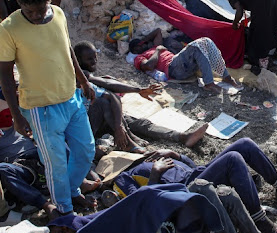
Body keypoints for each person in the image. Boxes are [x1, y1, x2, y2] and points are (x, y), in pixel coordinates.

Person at [0, 0, 97, 216]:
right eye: (30, 11)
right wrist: (16, 116)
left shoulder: (59, 14)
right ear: (19, 2)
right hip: (40, 108)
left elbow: (68, 49)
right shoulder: (8, 29)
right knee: (55, 164)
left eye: (41, 8)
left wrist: (83, 81)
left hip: (70, 99)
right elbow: (6, 77)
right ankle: (64, 210)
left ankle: (71, 192)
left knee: (86, 151)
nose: (38, 15)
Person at [113, 138, 277, 233]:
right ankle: (260, 222)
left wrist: (175, 154)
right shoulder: (123, 177)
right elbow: (144, 206)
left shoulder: (151, 158)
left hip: (197, 175)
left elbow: (193, 167)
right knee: (233, 158)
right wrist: (154, 175)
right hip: (184, 195)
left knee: (245, 144)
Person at [74, 40, 208, 151]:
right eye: (89, 59)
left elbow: (107, 83)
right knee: (108, 101)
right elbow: (108, 85)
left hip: (103, 116)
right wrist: (138, 90)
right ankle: (128, 140)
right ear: (78, 60)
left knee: (140, 123)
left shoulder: (86, 74)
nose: (94, 61)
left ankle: (182, 137)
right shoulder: (82, 76)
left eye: (95, 57)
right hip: (90, 123)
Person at [130, 33, 238, 93]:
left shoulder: (153, 46)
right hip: (173, 68)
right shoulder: (140, 57)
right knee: (200, 43)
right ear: (135, 50)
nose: (144, 44)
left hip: (182, 65)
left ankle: (225, 76)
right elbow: (148, 66)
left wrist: (143, 39)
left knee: (206, 44)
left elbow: (157, 31)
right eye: (141, 45)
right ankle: (209, 83)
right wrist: (158, 50)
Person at [222, 0, 277, 75]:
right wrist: (249, 19)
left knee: (258, 29)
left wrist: (234, 24)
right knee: (274, 20)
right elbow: (261, 12)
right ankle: (270, 50)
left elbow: (239, 11)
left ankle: (258, 59)